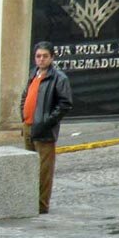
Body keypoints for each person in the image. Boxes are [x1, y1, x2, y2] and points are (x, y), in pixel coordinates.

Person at [20, 41, 72, 215]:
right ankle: (28, 201)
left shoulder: (59, 78)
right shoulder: (33, 74)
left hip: (44, 129)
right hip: (28, 125)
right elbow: (25, 96)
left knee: (44, 171)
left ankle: (41, 205)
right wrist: (23, 115)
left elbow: (64, 105)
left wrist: (46, 122)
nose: (41, 59)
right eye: (38, 56)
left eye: (45, 56)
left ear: (52, 58)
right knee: (29, 167)